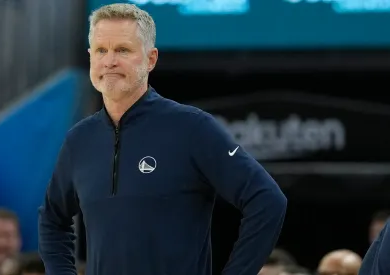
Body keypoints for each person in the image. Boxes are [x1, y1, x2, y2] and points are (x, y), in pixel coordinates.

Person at [38, 3, 287, 275]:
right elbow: (52, 220)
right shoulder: (79, 140)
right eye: (100, 50)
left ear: (151, 59)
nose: (109, 61)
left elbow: (268, 200)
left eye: (122, 50)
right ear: (90, 57)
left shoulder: (192, 128)